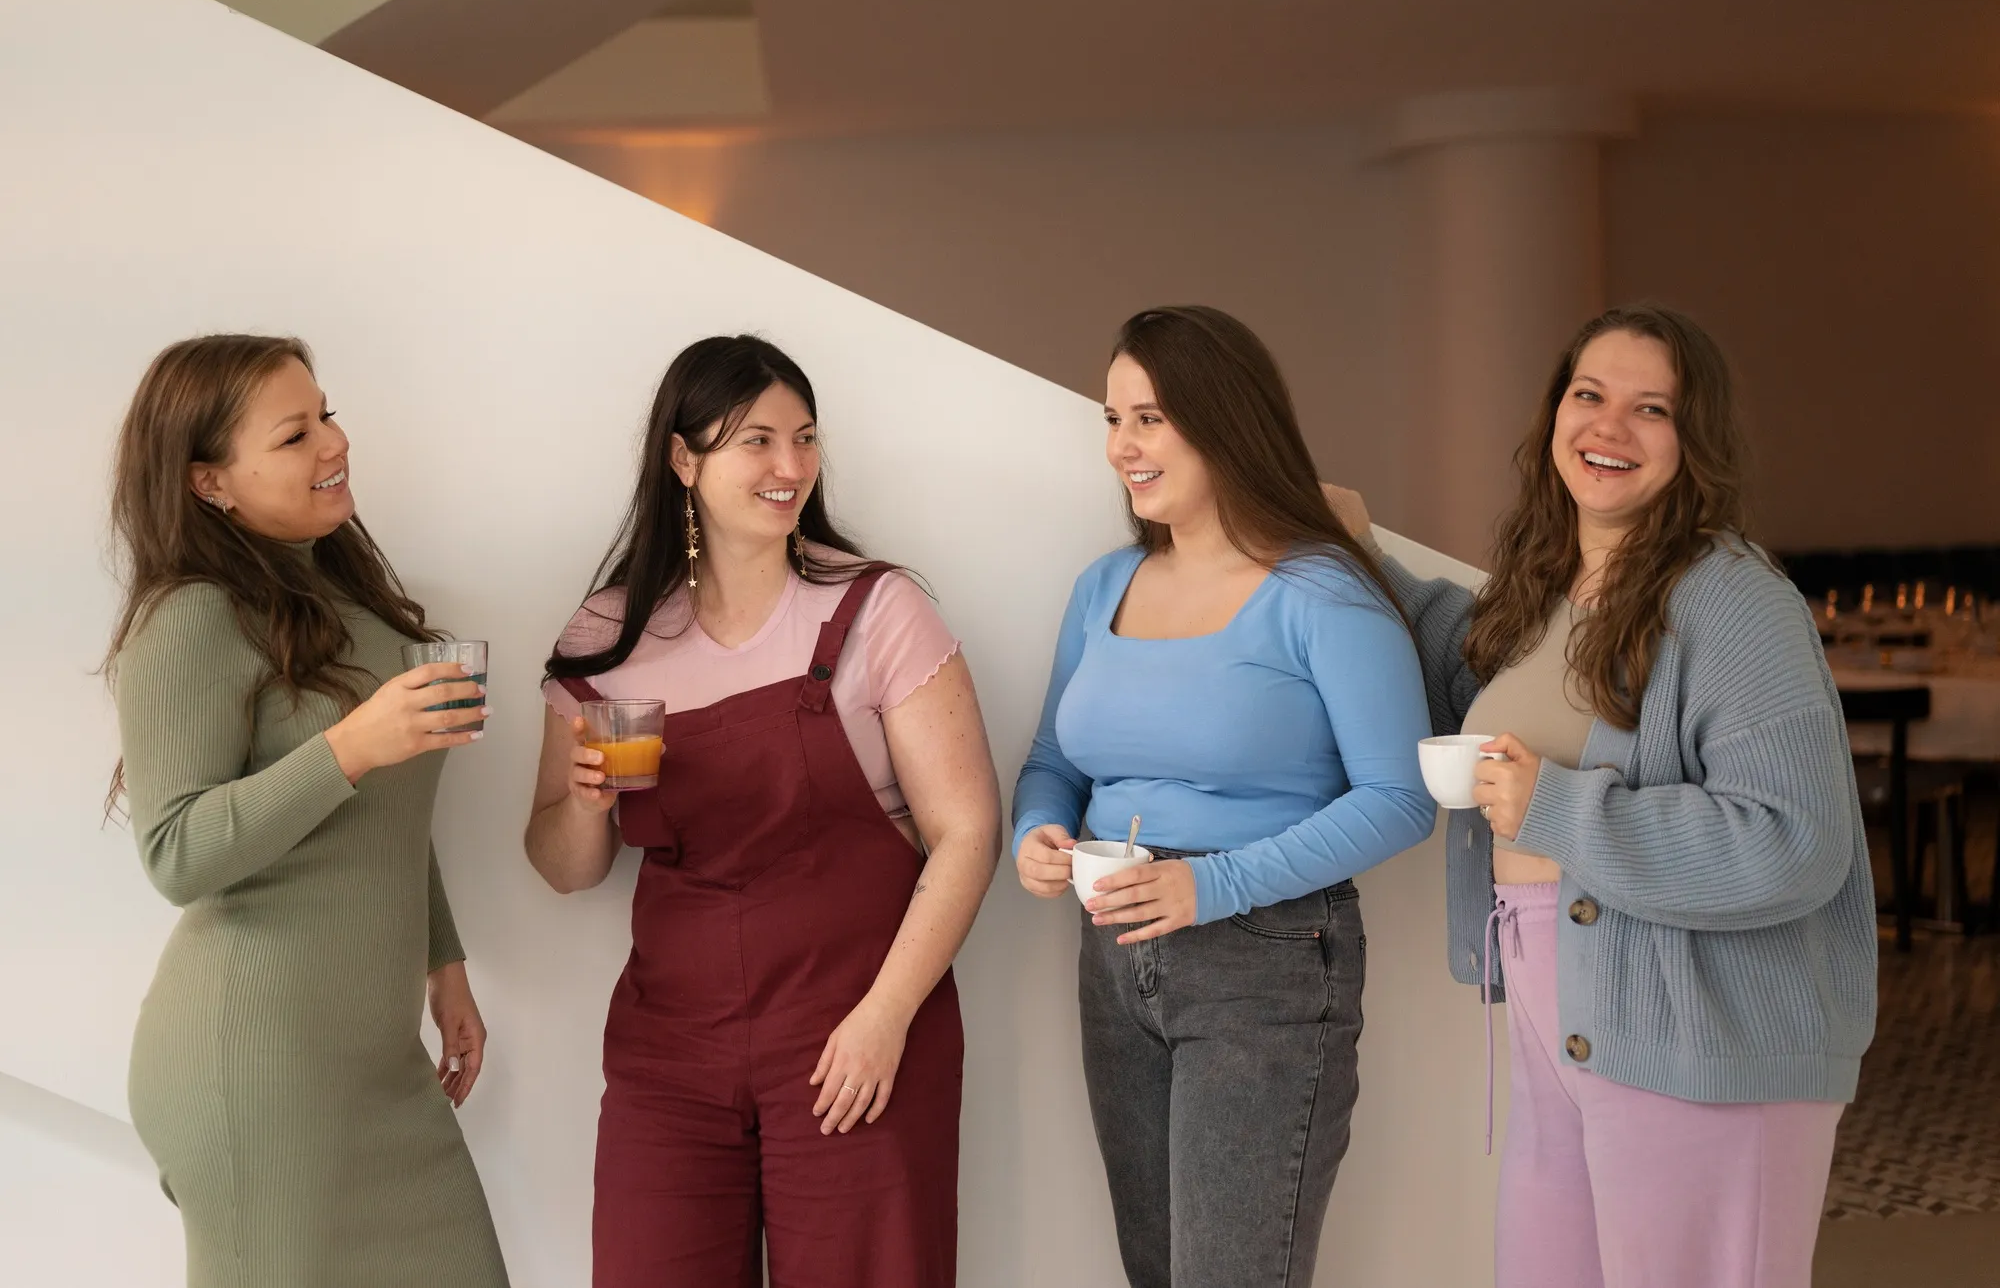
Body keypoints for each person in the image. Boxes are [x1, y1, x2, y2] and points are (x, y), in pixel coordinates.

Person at [1329, 303, 1875, 1288]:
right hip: (1567, 1030)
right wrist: (1359, 554)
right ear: (1552, 415)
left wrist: (1556, 809)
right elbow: (1472, 676)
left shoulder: (1731, 598)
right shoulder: (1553, 589)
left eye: (1648, 407)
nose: (1606, 426)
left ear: (1692, 438)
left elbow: (1791, 839)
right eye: (1587, 394)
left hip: (1700, 1042)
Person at [524, 335, 999, 1288]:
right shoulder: (607, 636)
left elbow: (968, 829)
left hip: (851, 1042)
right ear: (684, 460)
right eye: (757, 440)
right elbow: (566, 866)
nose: (790, 467)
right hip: (670, 1057)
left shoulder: (876, 608)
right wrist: (583, 803)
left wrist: (886, 1016)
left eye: (806, 437)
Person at [1011, 306, 1435, 1288]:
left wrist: (1211, 887)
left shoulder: (1322, 591)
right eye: (1111, 418)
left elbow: (1399, 795)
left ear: (1224, 419)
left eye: (1150, 417)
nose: (1122, 445)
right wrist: (1040, 829)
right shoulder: (1103, 583)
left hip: (1267, 959)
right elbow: (1052, 761)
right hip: (1112, 956)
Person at [107, 335, 509, 1287]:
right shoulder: (190, 615)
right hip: (254, 1067)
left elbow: (391, 821)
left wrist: (443, 963)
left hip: (374, 1062)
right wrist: (351, 744)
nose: (332, 443)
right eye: (294, 434)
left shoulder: (350, 601)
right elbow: (175, 854)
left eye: (326, 414)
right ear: (211, 483)